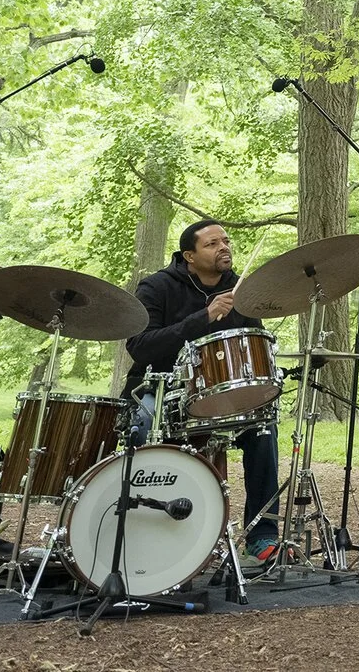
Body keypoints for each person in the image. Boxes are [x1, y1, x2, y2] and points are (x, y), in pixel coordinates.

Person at [124, 220, 282, 566]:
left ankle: (262, 536)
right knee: (142, 423)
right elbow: (140, 346)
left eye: (225, 241)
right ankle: (138, 529)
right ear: (189, 256)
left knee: (263, 427)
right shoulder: (157, 287)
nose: (223, 247)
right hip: (161, 391)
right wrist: (204, 317)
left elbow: (251, 346)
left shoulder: (241, 289)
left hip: (221, 394)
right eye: (212, 244)